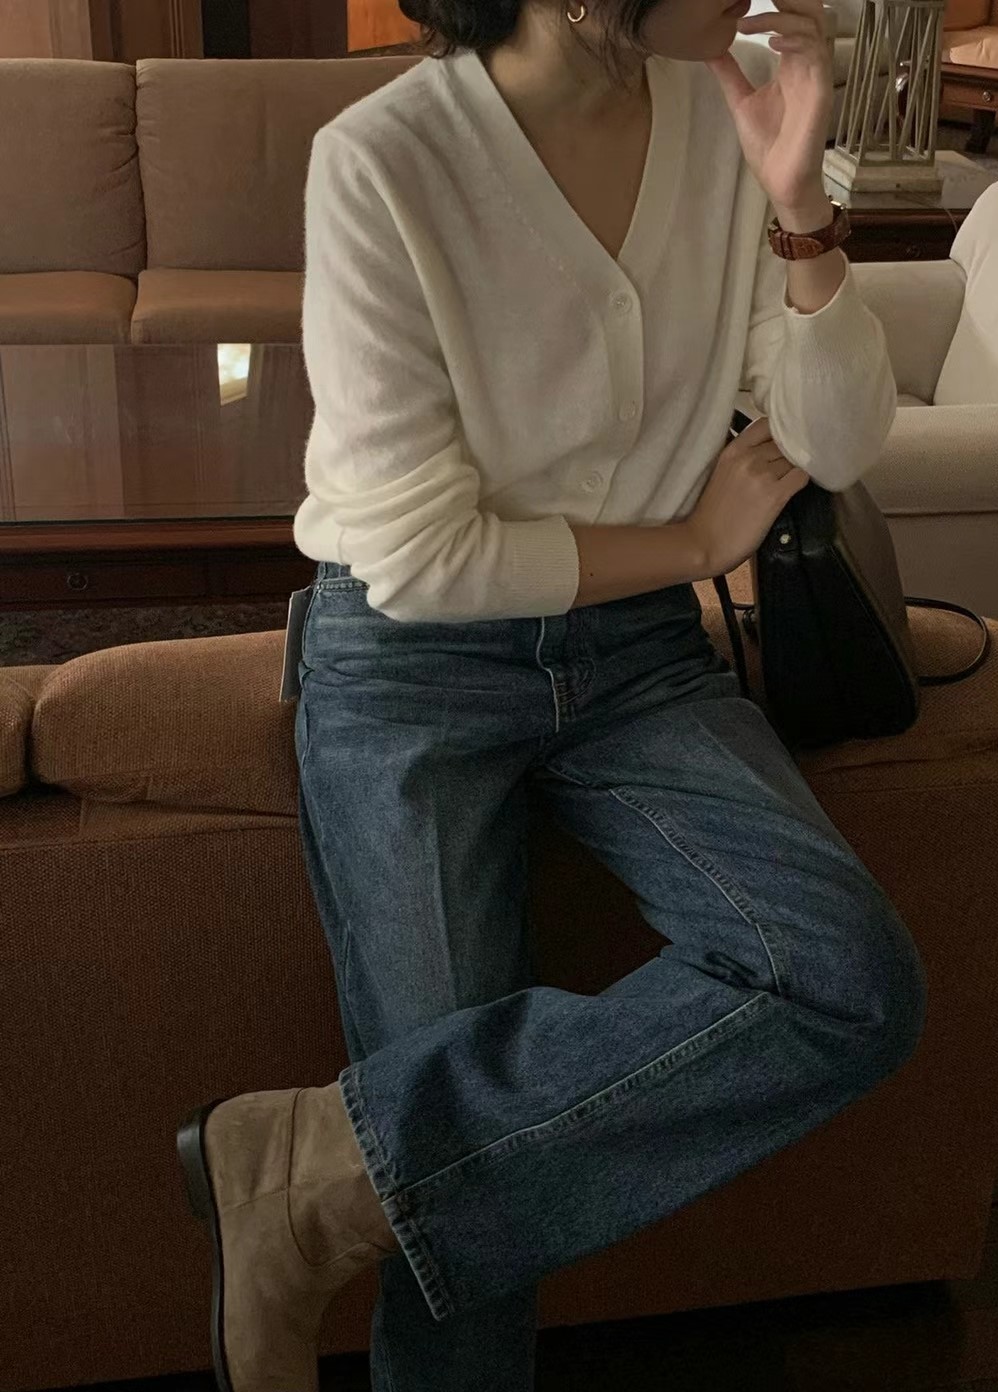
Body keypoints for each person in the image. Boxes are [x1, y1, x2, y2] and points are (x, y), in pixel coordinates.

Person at [176, 2, 928, 1389]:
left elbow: (834, 441)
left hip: (636, 659)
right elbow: (419, 557)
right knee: (457, 1092)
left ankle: (305, 1172)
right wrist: (692, 544)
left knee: (847, 978)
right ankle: (349, 1184)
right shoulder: (385, 161)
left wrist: (799, 210)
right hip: (411, 668)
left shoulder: (728, 108)